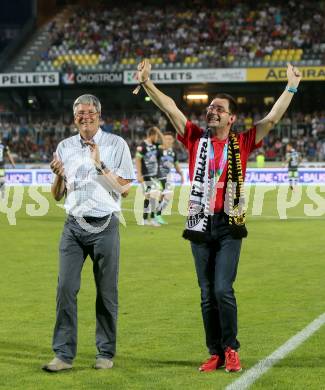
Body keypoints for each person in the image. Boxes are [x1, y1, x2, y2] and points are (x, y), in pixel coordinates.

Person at [135, 59, 301, 372]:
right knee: (207, 294)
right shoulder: (196, 138)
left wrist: (290, 87)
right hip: (199, 223)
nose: (212, 110)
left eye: (219, 108)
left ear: (231, 117)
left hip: (229, 225)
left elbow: (272, 118)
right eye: (211, 107)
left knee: (223, 289)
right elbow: (171, 109)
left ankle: (231, 348)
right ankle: (215, 352)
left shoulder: (242, 141)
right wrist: (147, 83)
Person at [43, 94, 135, 372]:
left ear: (99, 114)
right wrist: (58, 174)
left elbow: (125, 189)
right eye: (80, 113)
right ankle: (63, 355)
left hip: (105, 225)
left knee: (106, 292)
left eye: (90, 112)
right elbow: (57, 195)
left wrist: (100, 164)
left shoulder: (116, 144)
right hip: (73, 225)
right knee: (65, 289)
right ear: (74, 117)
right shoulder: (64, 146)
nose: (85, 116)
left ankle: (105, 353)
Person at [135, 126, 164, 226]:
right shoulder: (143, 146)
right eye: (156, 136)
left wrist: (158, 131)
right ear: (152, 135)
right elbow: (137, 159)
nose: (157, 138)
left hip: (154, 175)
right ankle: (149, 219)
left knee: (151, 196)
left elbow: (164, 143)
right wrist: (139, 175)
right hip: (147, 174)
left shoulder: (156, 145)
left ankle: (146, 219)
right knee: (151, 196)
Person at [155, 132, 184, 224]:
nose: (167, 140)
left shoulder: (173, 152)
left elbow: (176, 164)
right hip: (158, 175)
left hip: (167, 176)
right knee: (168, 194)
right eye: (165, 138)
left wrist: (181, 174)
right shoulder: (158, 149)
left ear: (173, 140)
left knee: (163, 195)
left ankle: (157, 214)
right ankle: (157, 213)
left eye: (169, 139)